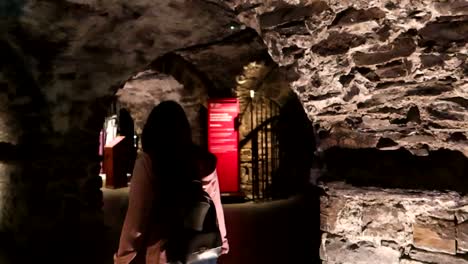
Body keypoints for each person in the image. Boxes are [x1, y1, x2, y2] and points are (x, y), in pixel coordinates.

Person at [114, 101, 229, 264]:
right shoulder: (203, 160)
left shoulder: (149, 161)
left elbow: (137, 214)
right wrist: (222, 242)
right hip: (202, 248)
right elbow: (214, 203)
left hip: (165, 250)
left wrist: (123, 256)